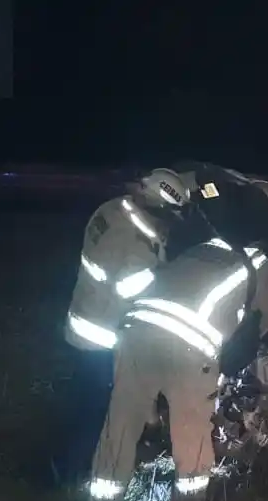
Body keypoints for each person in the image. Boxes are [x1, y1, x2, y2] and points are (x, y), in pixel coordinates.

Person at [88, 237, 268, 499]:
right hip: (188, 348)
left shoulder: (208, 245)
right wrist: (256, 323)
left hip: (134, 334)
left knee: (121, 423)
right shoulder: (263, 267)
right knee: (191, 432)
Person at [56, 168, 195, 484]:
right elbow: (131, 290)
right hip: (101, 340)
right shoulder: (136, 242)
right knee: (97, 415)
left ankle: (65, 468)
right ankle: (74, 478)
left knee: (80, 405)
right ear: (158, 207)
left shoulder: (113, 209)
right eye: (169, 216)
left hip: (81, 318)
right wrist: (166, 279)